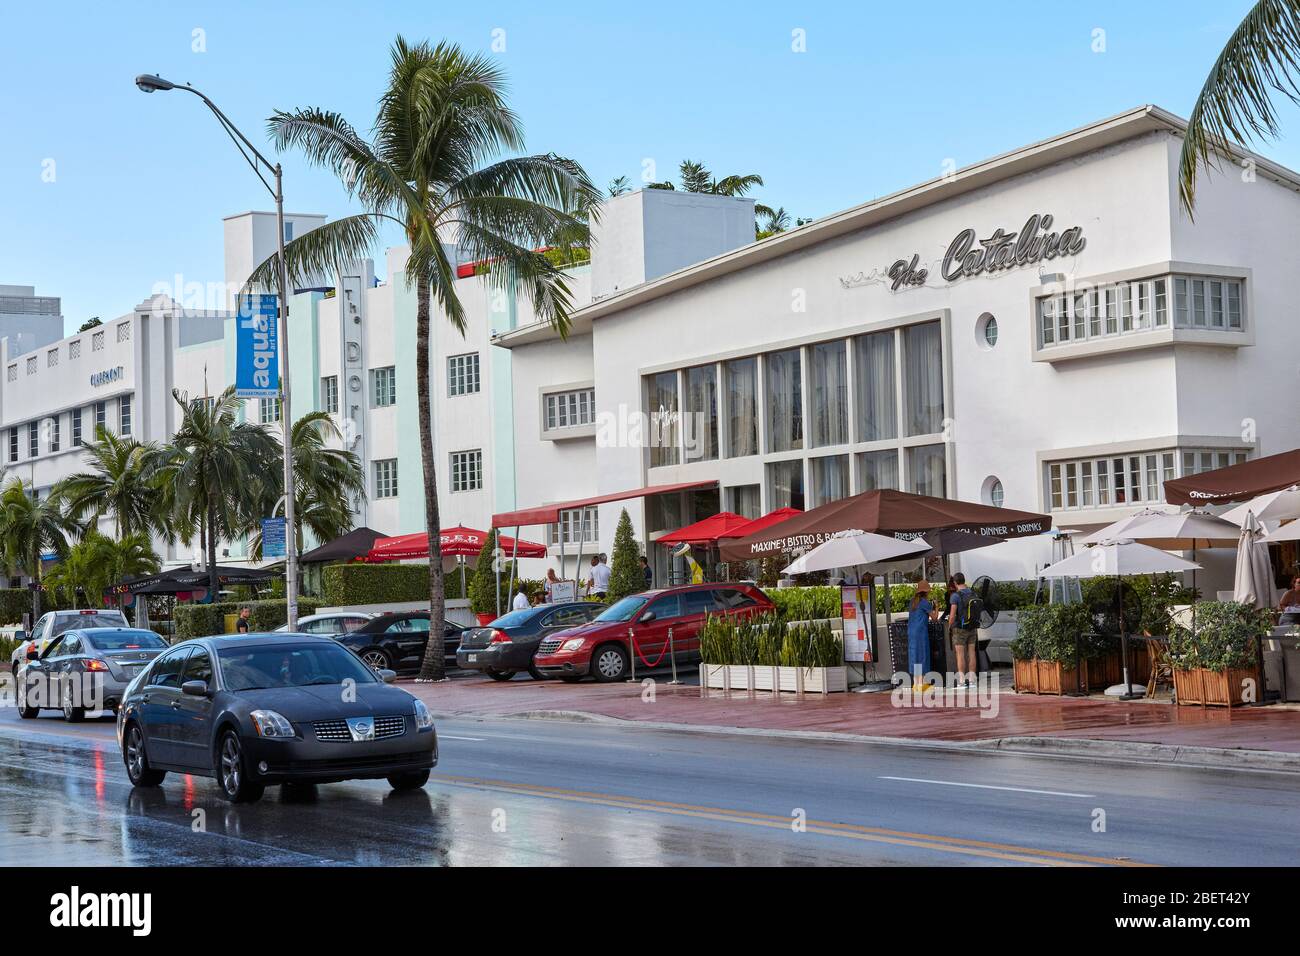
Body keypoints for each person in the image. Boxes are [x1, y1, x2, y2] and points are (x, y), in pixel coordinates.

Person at [907, 581, 939, 691]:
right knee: (923, 655)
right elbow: (934, 618)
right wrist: (937, 606)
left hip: (911, 631)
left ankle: (915, 684)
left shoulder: (912, 601)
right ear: (926, 592)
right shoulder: (925, 603)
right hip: (920, 632)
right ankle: (922, 684)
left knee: (914, 655)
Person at [948, 573, 977, 688]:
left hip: (960, 629)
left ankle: (961, 681)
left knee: (960, 655)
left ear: (955, 583)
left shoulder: (955, 596)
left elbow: (952, 615)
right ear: (964, 580)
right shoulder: (973, 593)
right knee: (971, 653)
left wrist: (950, 626)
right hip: (972, 627)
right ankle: (972, 681)